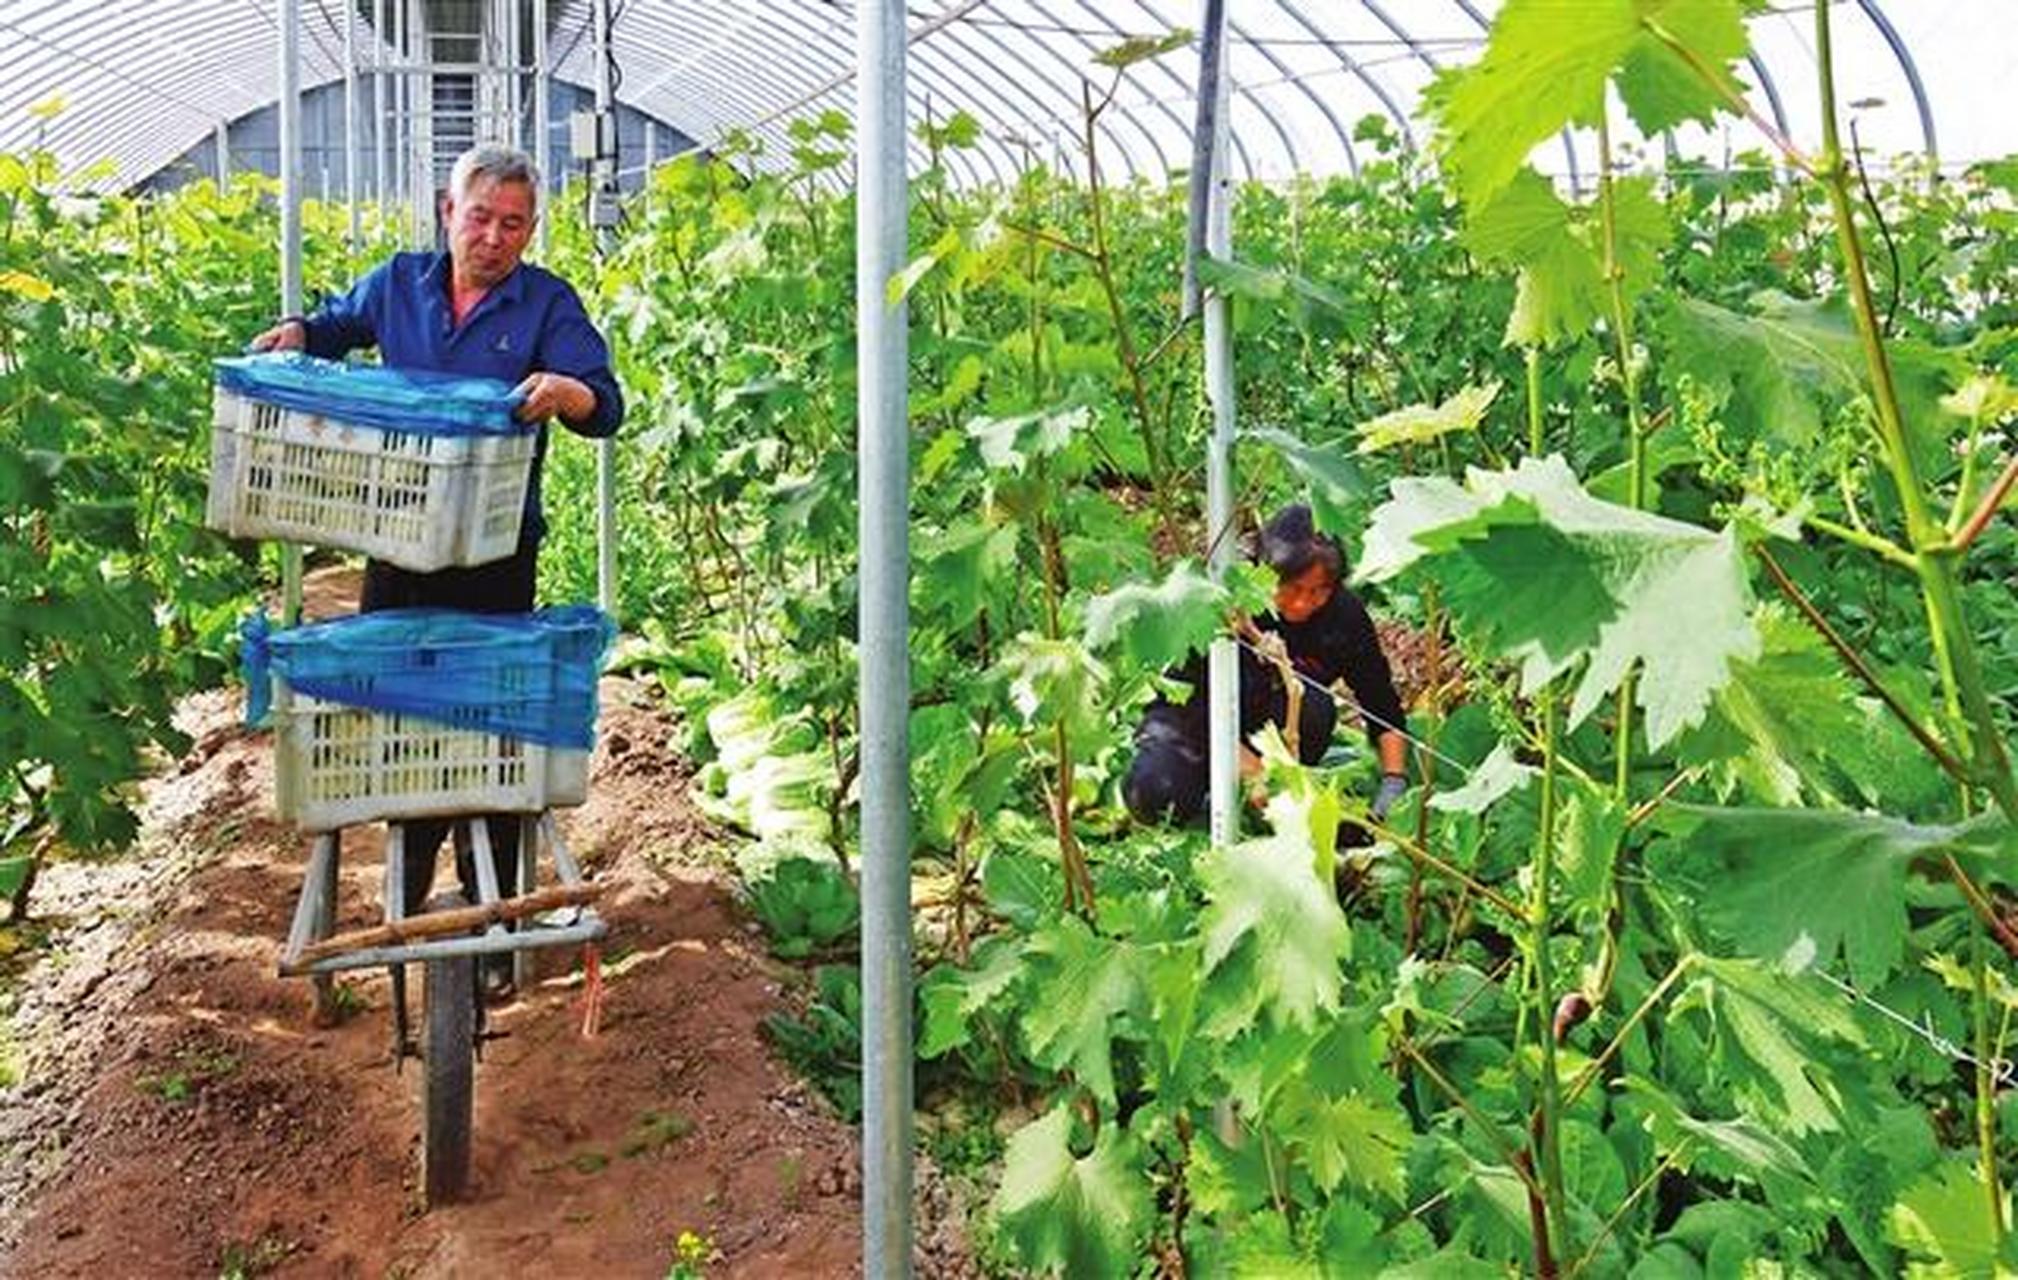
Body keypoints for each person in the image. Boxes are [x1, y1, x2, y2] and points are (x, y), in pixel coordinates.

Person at [249, 145, 623, 982]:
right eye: (480, 216)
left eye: (514, 223)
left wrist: (570, 394)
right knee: (405, 716)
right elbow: (335, 324)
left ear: (530, 231)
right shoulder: (398, 284)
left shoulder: (546, 304)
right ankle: (408, 903)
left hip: (495, 555)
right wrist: (300, 334)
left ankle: (489, 922)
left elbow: (606, 402)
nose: (494, 237)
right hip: (394, 543)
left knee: (492, 722)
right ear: (446, 212)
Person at [1122, 503, 1409, 828]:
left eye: (1318, 592)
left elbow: (1380, 700)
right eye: (1292, 588)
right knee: (1153, 793)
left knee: (1315, 706)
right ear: (1265, 570)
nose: (1303, 603)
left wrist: (1393, 781)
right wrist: (1249, 769)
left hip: (1271, 733)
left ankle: (1265, 805)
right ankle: (1210, 804)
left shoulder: (1345, 616)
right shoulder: (1230, 603)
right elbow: (1189, 704)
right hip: (1190, 729)